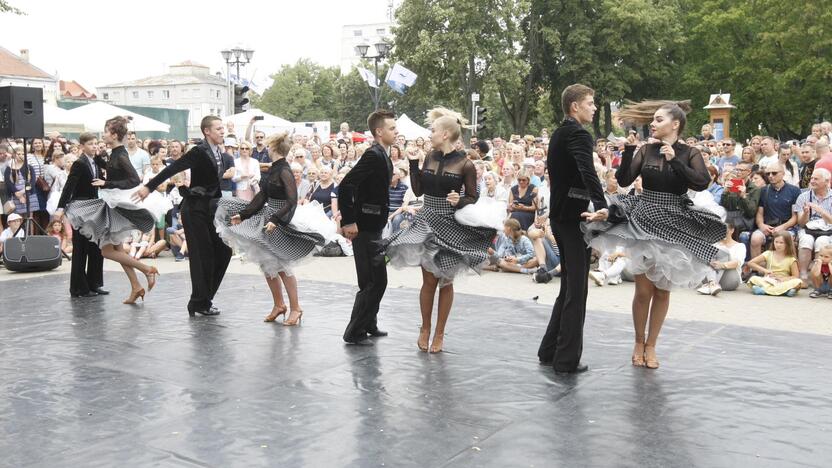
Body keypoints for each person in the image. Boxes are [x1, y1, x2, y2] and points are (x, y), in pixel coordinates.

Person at [585, 99, 727, 370]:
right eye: (653, 119)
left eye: (659, 120)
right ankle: (639, 341)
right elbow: (625, 180)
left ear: (675, 124)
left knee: (662, 291)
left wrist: (675, 161)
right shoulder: (646, 150)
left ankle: (652, 345)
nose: (653, 123)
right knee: (643, 290)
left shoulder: (690, 152)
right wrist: (628, 150)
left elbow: (701, 182)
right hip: (645, 217)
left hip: (674, 218)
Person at [385, 107, 497, 354]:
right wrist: (413, 163)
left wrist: (460, 200)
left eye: (433, 130)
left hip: (450, 223)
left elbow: (472, 196)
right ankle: (425, 327)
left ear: (445, 134)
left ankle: (439, 333)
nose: (430, 134)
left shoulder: (465, 163)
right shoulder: (431, 156)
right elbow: (418, 190)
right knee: (427, 280)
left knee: (445, 281)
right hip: (427, 220)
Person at [216, 132, 330, 325]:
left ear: (275, 149)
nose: (267, 149)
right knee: (267, 265)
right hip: (270, 217)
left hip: (280, 219)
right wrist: (243, 215)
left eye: (269, 147)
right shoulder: (272, 170)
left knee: (283, 266)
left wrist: (276, 219)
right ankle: (279, 305)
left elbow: (291, 200)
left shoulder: (284, 171)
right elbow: (262, 197)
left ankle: (295, 308)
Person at [538, 84, 608, 375]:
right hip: (574, 217)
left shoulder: (559, 133)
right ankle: (566, 360)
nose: (594, 108)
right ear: (575, 106)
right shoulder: (578, 133)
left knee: (569, 285)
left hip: (561, 215)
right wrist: (602, 204)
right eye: (590, 103)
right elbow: (587, 170)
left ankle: (550, 350)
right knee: (576, 289)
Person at [57, 121, 168, 305]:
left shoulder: (120, 155)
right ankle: (135, 287)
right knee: (116, 249)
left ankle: (147, 269)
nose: (103, 136)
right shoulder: (113, 154)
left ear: (114, 135)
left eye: (106, 132)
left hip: (115, 207)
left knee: (106, 251)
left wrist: (106, 183)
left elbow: (133, 179)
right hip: (111, 206)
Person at [134, 116, 233, 317]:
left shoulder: (220, 153)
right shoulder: (199, 151)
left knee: (223, 252)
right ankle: (200, 302)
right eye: (218, 128)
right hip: (194, 209)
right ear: (207, 131)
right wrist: (149, 187)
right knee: (201, 256)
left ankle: (202, 299)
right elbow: (173, 168)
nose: (223, 131)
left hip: (209, 210)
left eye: (223, 128)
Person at [339, 110, 398, 345]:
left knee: (371, 279)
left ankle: (369, 323)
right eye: (392, 128)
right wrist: (349, 221)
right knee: (375, 281)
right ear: (379, 132)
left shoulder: (383, 154)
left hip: (374, 224)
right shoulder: (373, 154)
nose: (396, 132)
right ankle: (354, 331)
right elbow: (346, 186)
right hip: (364, 226)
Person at [53, 134, 106, 298]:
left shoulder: (95, 161)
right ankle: (79, 288)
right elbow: (69, 186)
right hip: (81, 208)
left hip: (95, 207)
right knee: (81, 247)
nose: (94, 146)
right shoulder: (79, 163)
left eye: (96, 143)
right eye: (91, 144)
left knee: (96, 247)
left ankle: (94, 283)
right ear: (82, 146)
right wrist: (60, 207)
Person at [749, 163, 801, 259]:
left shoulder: (794, 191)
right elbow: (760, 213)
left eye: (774, 173)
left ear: (783, 174)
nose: (770, 176)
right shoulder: (764, 191)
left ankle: (790, 269)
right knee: (755, 239)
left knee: (785, 239)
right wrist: (761, 225)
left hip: (787, 227)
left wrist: (783, 227)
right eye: (768, 174)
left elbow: (795, 217)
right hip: (768, 226)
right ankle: (757, 269)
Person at [794, 168, 832, 279]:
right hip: (807, 229)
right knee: (806, 240)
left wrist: (820, 210)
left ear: (826, 181)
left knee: (822, 242)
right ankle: (803, 274)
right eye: (811, 178)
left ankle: (818, 276)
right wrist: (806, 213)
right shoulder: (803, 196)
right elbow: (801, 223)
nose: (812, 181)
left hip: (828, 230)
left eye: (816, 178)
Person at [697, 222, 746, 295]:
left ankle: (711, 284)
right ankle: (712, 284)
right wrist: (709, 262)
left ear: (732, 230)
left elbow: (737, 263)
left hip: (730, 279)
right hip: (709, 277)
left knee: (723, 250)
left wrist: (722, 265)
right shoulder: (714, 245)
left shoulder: (740, 246)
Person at [746, 232, 802, 296]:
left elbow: (796, 276)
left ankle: (764, 291)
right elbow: (750, 263)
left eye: (781, 243)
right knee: (753, 279)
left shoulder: (791, 259)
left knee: (798, 282)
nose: (778, 245)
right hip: (769, 281)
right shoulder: (769, 253)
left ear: (787, 244)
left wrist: (783, 279)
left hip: (783, 282)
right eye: (776, 242)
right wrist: (765, 270)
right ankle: (784, 292)